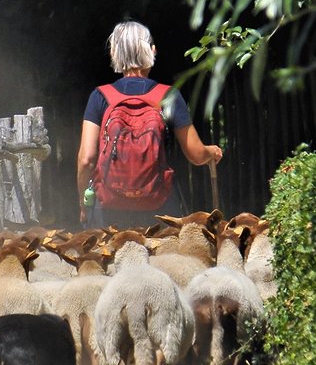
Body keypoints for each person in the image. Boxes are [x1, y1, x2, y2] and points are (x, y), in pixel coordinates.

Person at [76, 20, 222, 228]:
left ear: (114, 54)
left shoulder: (100, 97)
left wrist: (84, 202)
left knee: (108, 258)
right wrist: (211, 152)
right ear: (152, 51)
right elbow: (196, 154)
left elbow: (86, 159)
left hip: (107, 210)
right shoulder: (168, 96)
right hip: (159, 209)